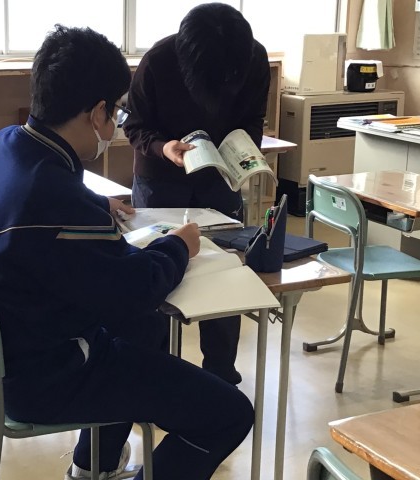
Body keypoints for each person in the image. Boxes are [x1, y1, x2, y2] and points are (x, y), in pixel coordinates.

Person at [0, 25, 254, 480]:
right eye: (115, 111)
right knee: (229, 413)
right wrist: (178, 245)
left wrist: (95, 205)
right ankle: (99, 461)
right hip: (43, 376)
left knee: (145, 328)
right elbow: (136, 288)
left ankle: (92, 466)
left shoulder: (5, 147)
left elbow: (36, 215)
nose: (114, 123)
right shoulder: (57, 200)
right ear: (97, 113)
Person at [124, 3, 271, 386]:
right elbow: (135, 126)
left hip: (219, 180)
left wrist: (245, 152)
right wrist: (163, 147)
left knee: (225, 273)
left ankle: (221, 376)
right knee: (155, 275)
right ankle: (153, 376)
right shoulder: (159, 60)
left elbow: (253, 119)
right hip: (161, 180)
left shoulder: (252, 59)